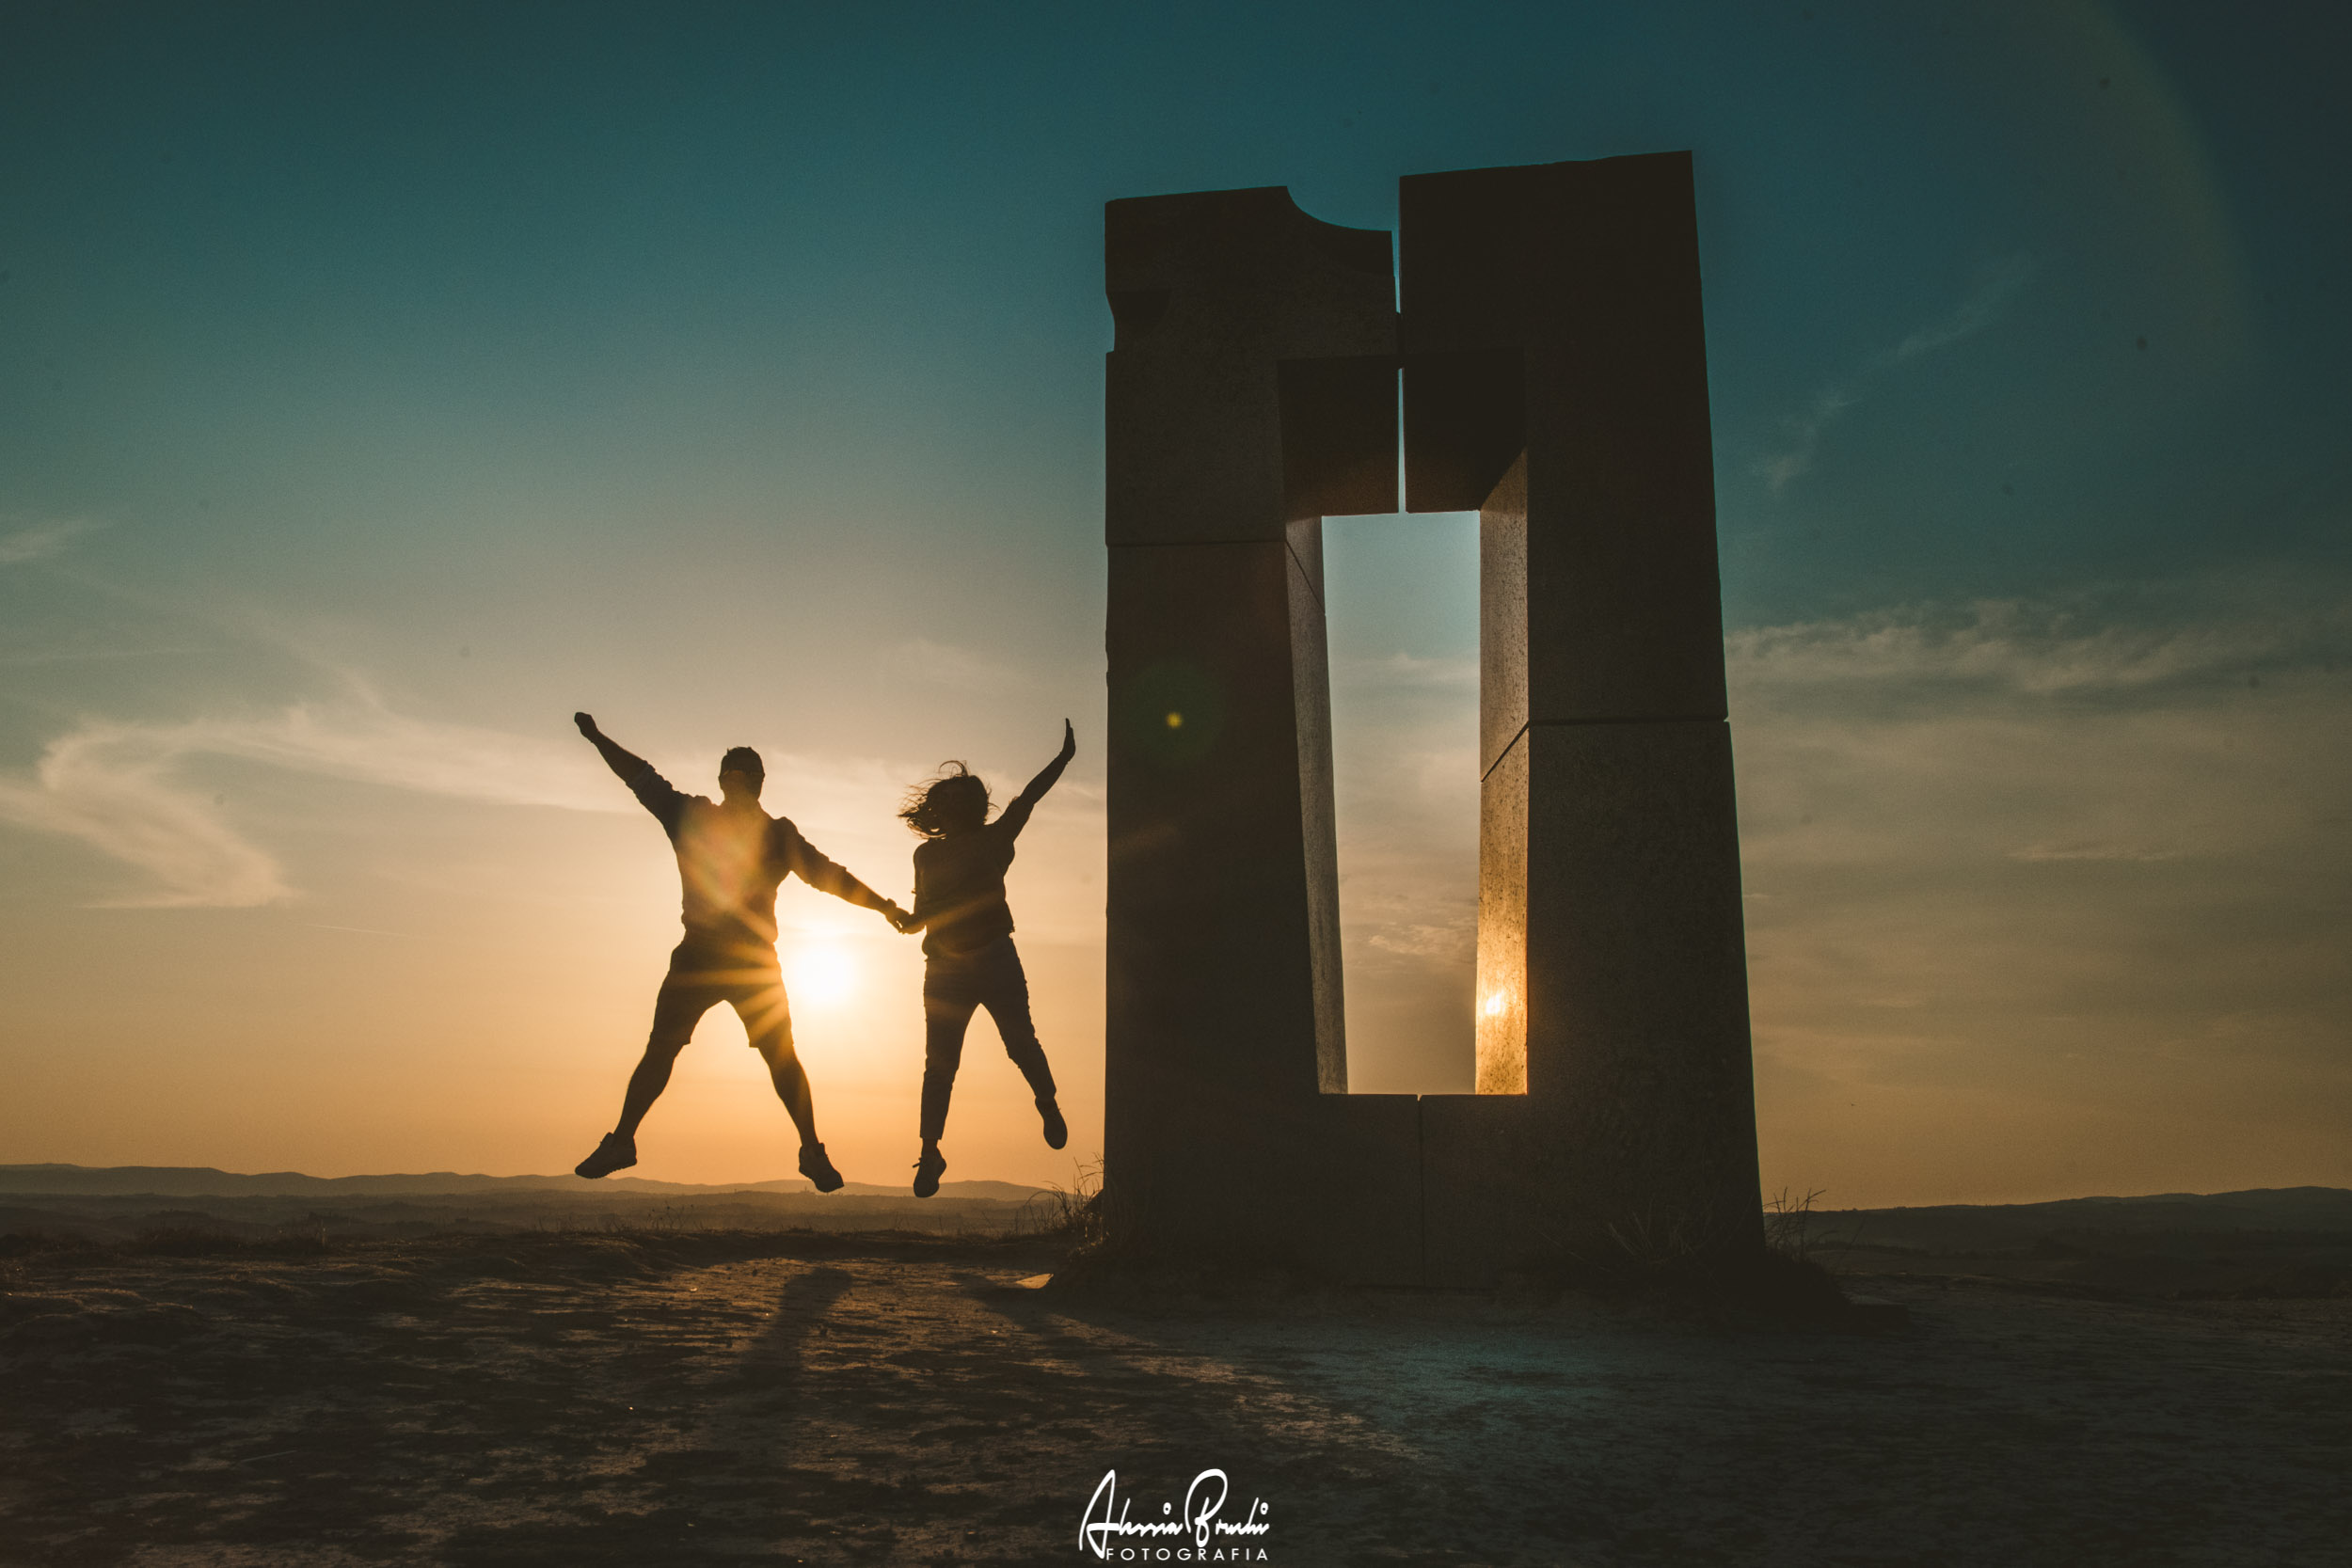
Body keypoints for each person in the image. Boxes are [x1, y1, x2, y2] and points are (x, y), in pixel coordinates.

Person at [570, 712, 906, 1192]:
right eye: (728, 773)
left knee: (781, 1057)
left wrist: (886, 908)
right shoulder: (694, 816)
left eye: (741, 774)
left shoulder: (777, 834)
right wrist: (599, 738)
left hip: (752, 965)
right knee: (662, 1050)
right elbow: (640, 777)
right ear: (725, 781)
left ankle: (811, 1152)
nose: (734, 781)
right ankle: (623, 1141)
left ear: (757, 783)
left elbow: (831, 876)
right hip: (699, 957)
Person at [892, 721, 1075, 1197]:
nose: (946, 809)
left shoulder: (996, 840)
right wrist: (909, 922)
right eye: (943, 802)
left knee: (1020, 1043)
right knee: (939, 1065)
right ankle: (930, 1153)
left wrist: (1062, 759)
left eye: (954, 801)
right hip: (945, 970)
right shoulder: (924, 857)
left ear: (967, 809)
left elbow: (1028, 799)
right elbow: (923, 914)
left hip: (995, 960)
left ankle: (1048, 1103)